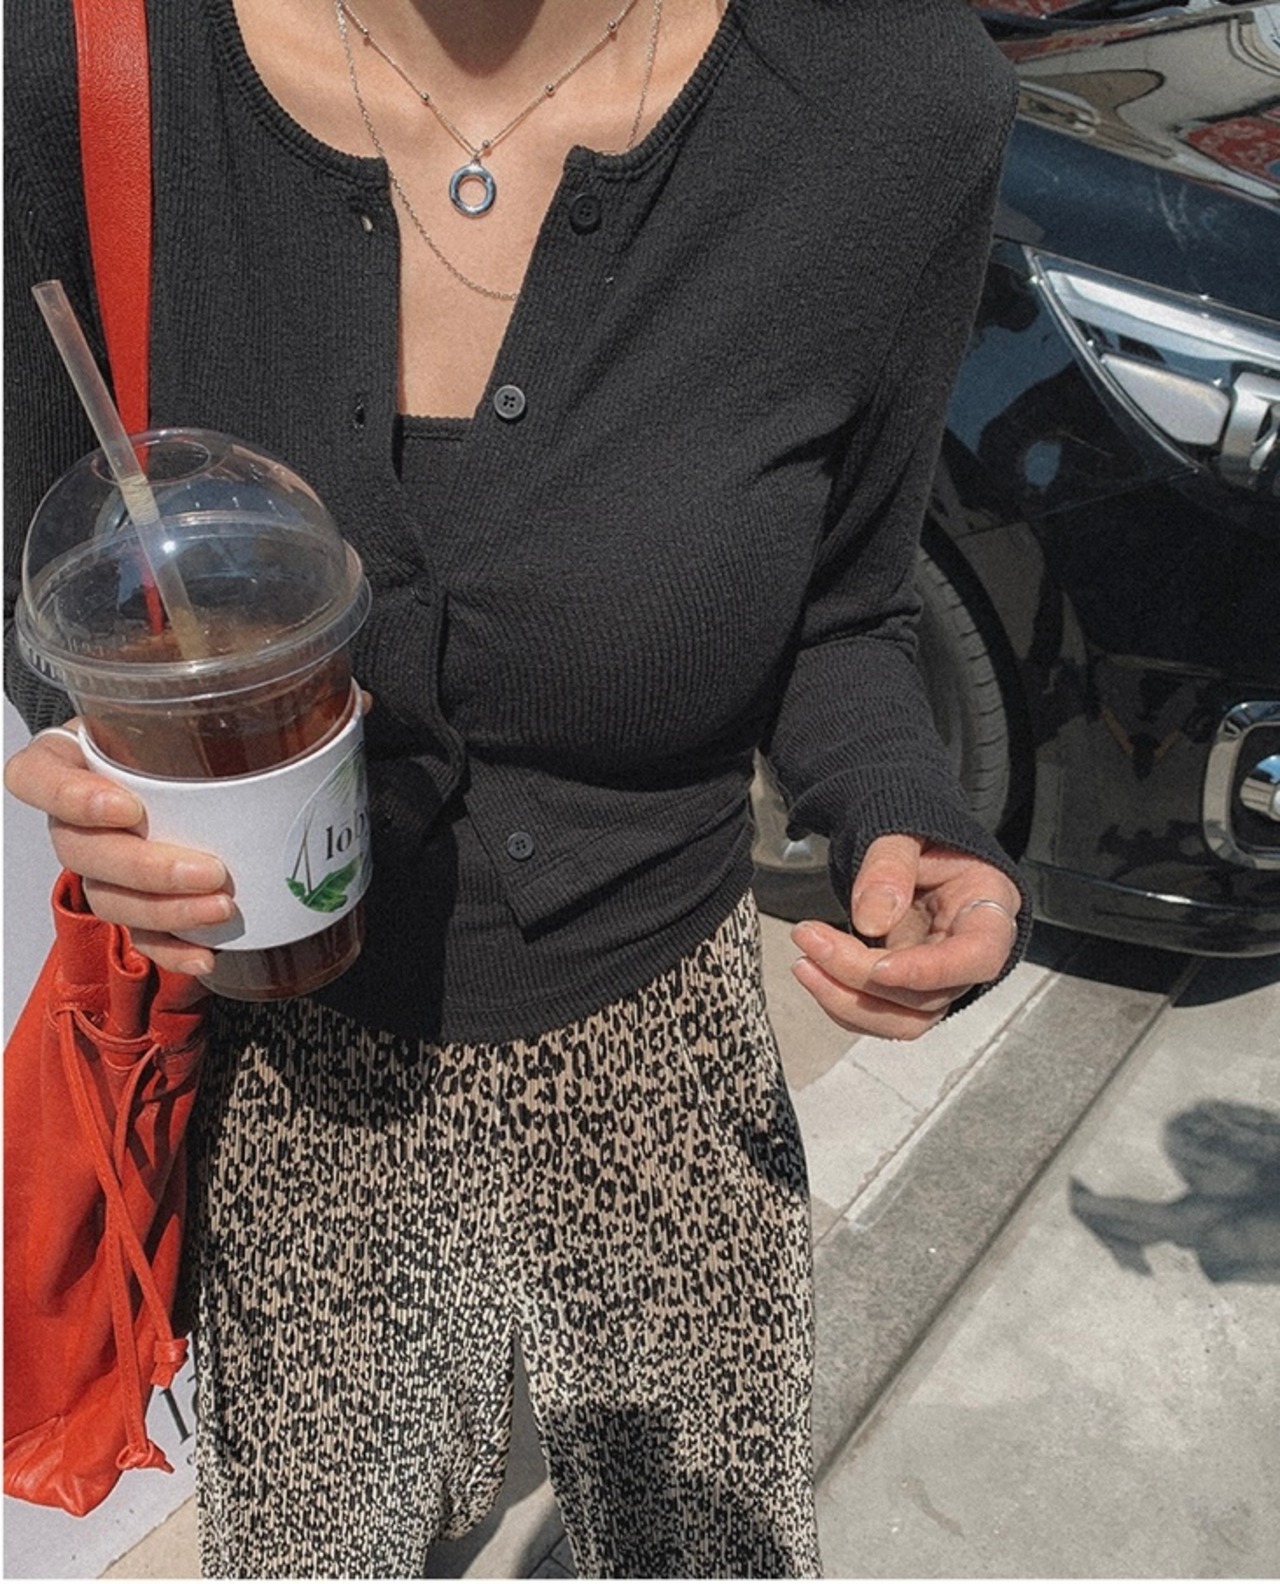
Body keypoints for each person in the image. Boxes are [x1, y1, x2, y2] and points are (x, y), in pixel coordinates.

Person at [4, 0, 1029, 1574]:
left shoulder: (893, 98)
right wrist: (118, 779)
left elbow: (846, 605)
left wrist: (908, 809)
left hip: (670, 1068)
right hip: (298, 1081)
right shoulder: (80, 66)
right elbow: (62, 583)